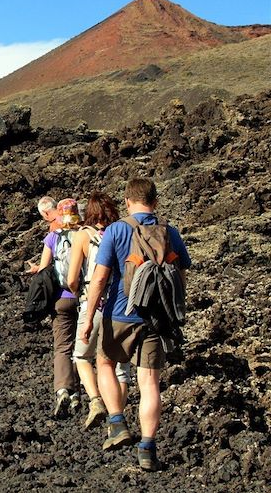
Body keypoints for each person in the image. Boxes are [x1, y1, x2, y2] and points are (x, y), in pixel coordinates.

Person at [80, 178, 191, 472]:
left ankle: (117, 422)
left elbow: (100, 278)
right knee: (150, 383)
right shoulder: (169, 232)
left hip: (118, 313)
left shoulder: (116, 230)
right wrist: (175, 311)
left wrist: (89, 317)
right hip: (156, 319)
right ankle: (148, 448)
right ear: (155, 202)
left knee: (103, 362)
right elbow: (181, 276)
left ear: (127, 201)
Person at [66, 191, 130, 430]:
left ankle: (96, 401)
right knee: (120, 366)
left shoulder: (83, 236)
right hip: (122, 302)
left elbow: (72, 278)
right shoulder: (123, 232)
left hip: (94, 300)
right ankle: (118, 419)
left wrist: (78, 294)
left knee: (82, 355)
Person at [37, 198, 81, 417]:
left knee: (62, 346)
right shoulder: (86, 234)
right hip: (84, 297)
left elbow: (44, 270)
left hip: (61, 298)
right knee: (81, 346)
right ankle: (78, 394)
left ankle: (63, 389)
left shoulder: (52, 237)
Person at [27, 196, 63, 273]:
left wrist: (38, 268)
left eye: (43, 216)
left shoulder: (54, 228)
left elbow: (47, 264)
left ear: (46, 213)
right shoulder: (69, 218)